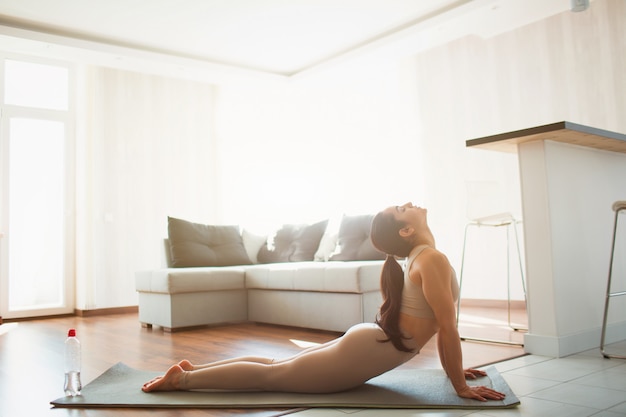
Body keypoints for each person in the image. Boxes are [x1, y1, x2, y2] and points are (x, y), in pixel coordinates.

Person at [142, 202, 506, 402]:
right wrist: (459, 386)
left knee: (273, 365)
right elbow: (447, 326)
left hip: (367, 342)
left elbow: (440, 325)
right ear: (406, 230)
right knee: (272, 375)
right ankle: (184, 381)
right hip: (364, 348)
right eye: (401, 208)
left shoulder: (423, 259)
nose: (408, 203)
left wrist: (454, 371)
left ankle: (188, 373)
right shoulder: (431, 258)